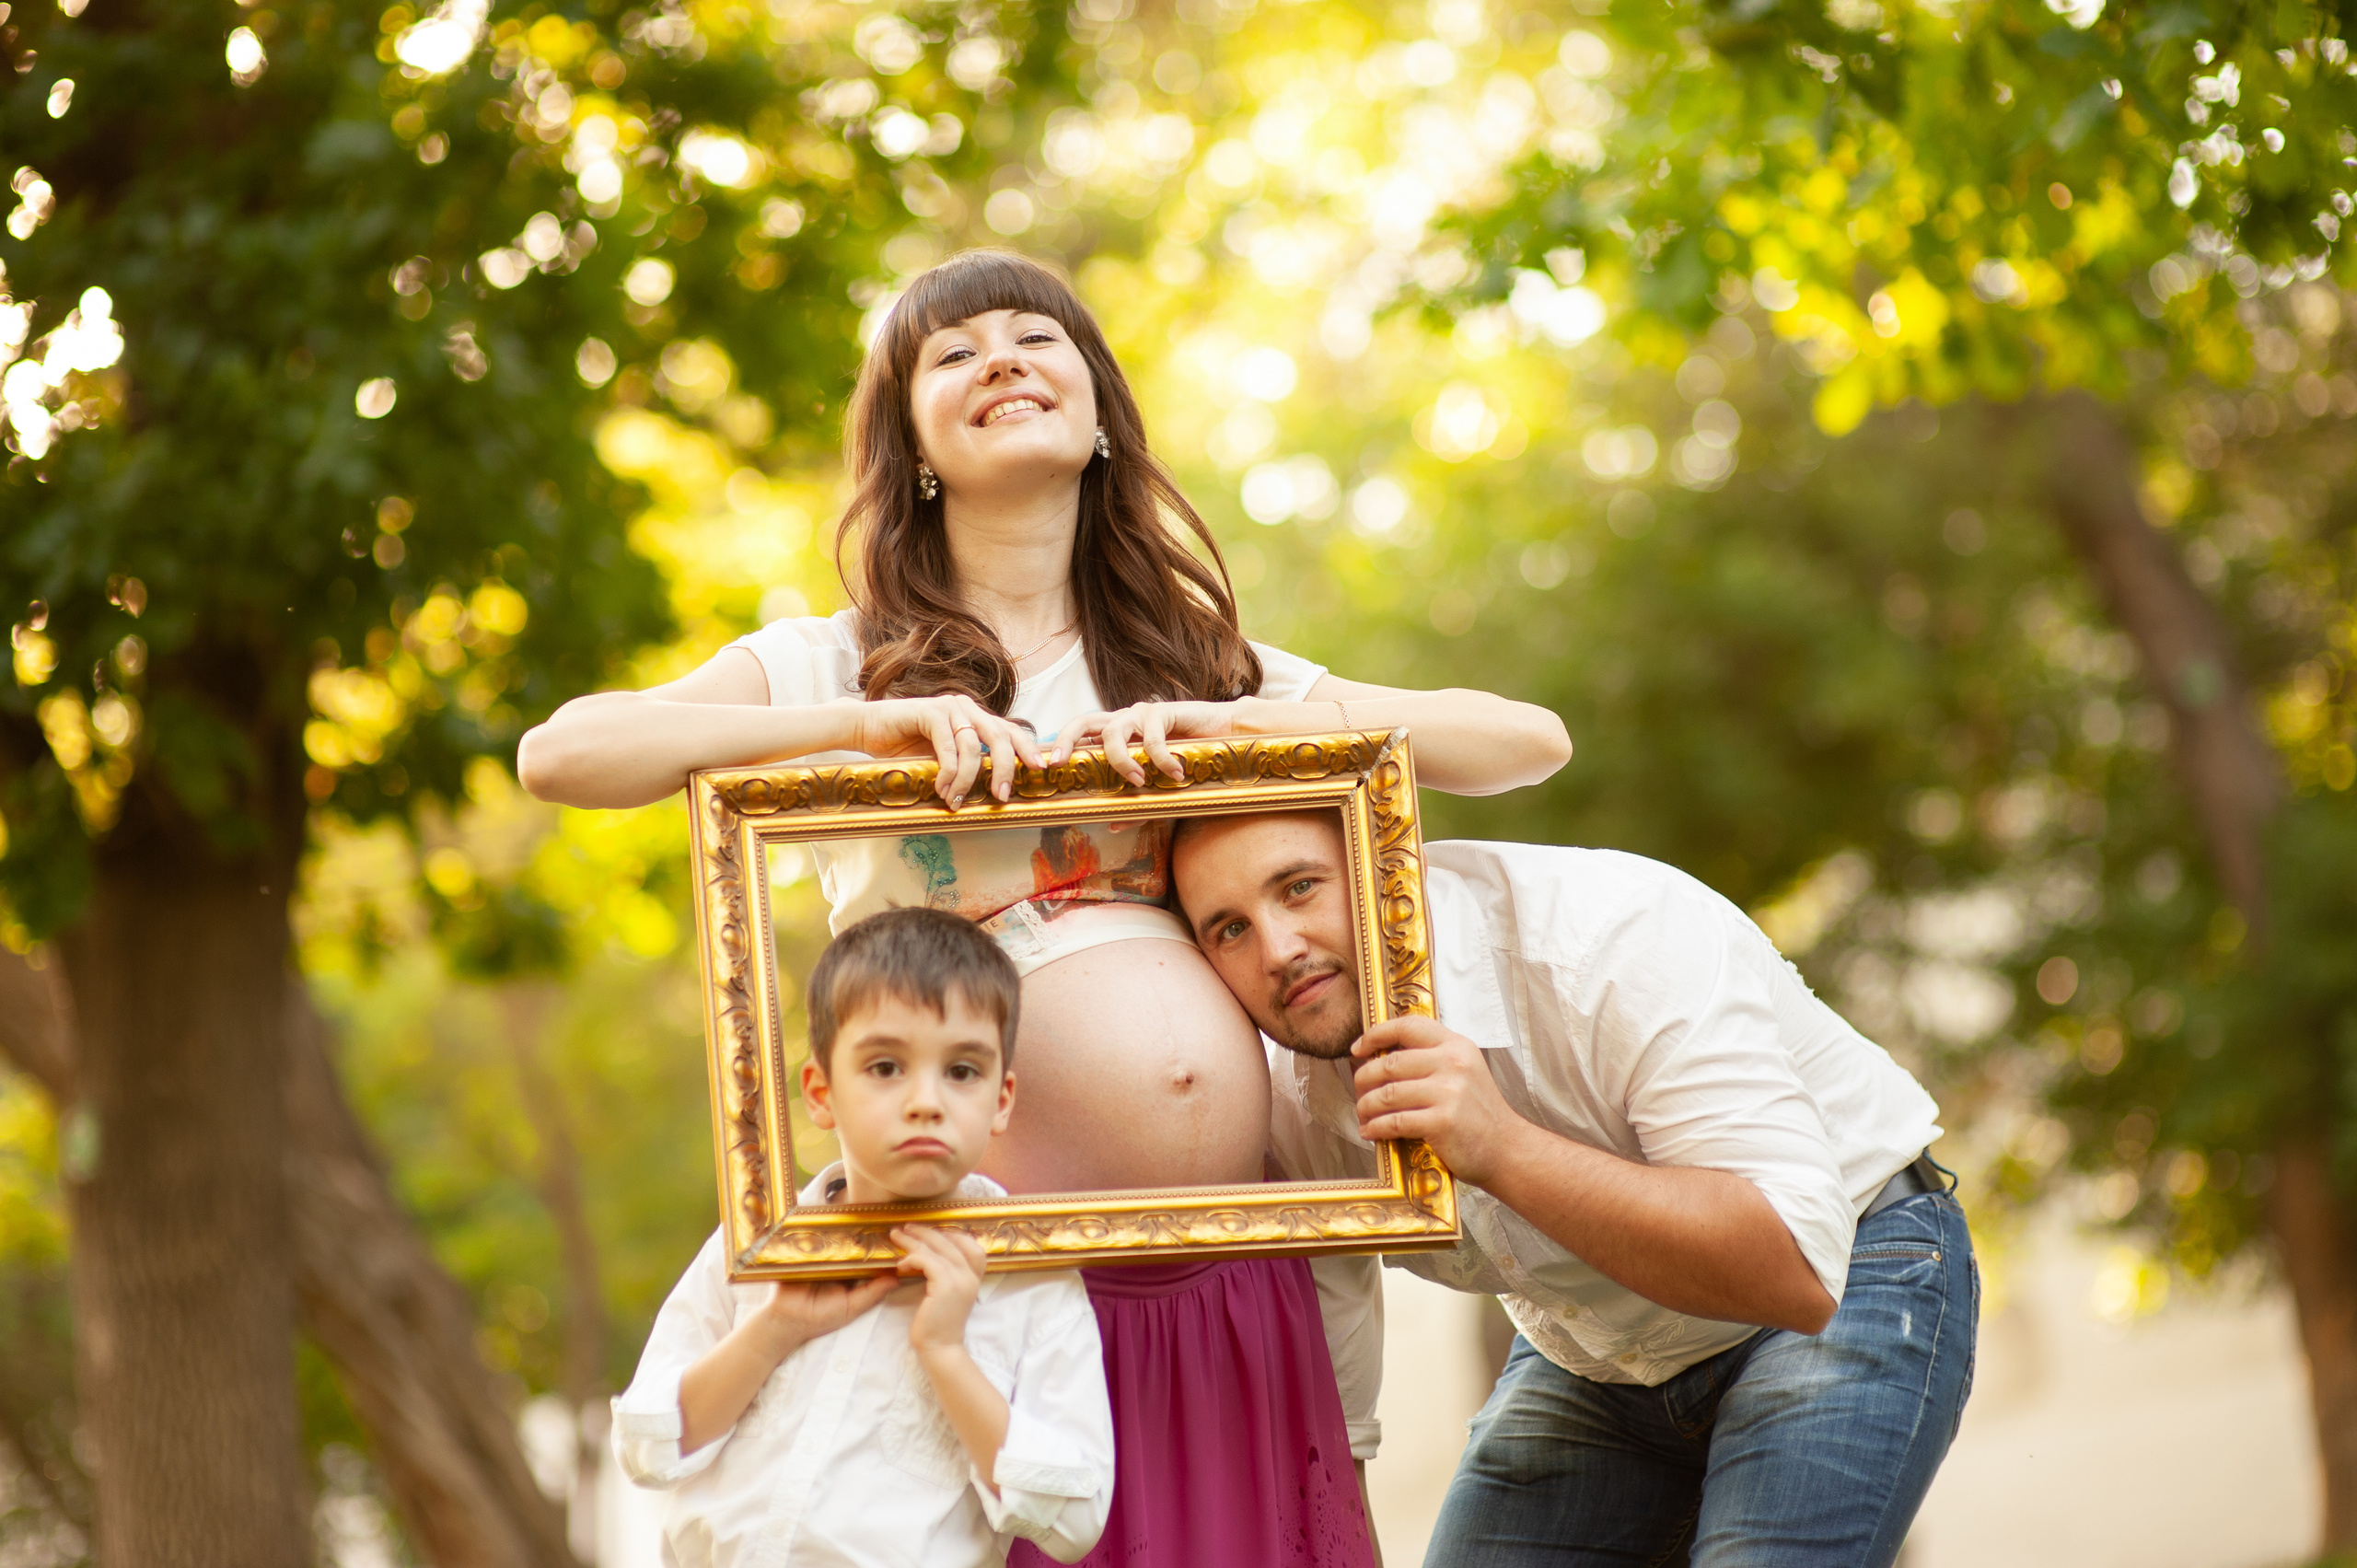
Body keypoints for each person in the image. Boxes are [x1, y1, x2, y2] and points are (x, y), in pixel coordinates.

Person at [523, 249, 1571, 1567]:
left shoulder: (1189, 660)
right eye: (952, 353)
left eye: (1036, 337)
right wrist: (861, 725)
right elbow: (562, 754)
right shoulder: (835, 658)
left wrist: (1255, 722)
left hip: (1232, 1271)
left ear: (1098, 417)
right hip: (999, 1297)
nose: (1000, 359)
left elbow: (1523, 739)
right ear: (910, 442)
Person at [1168, 812, 1977, 1568]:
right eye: (1229, 929)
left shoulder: (1608, 938)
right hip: (1597, 1353)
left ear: (1383, 862)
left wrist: (1502, 1144)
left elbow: (1793, 1270)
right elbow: (1335, 1414)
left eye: (1299, 886)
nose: (1277, 948)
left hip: (1855, 1268)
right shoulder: (1274, 1097)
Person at [610, 908, 1115, 1567]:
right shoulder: (761, 1243)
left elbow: (1076, 1518)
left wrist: (945, 1351)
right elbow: (648, 1447)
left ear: (1001, 1099)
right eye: (885, 1066)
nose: (925, 1100)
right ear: (821, 1092)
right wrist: (774, 1327)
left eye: (962, 1070)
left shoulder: (1029, 1274)